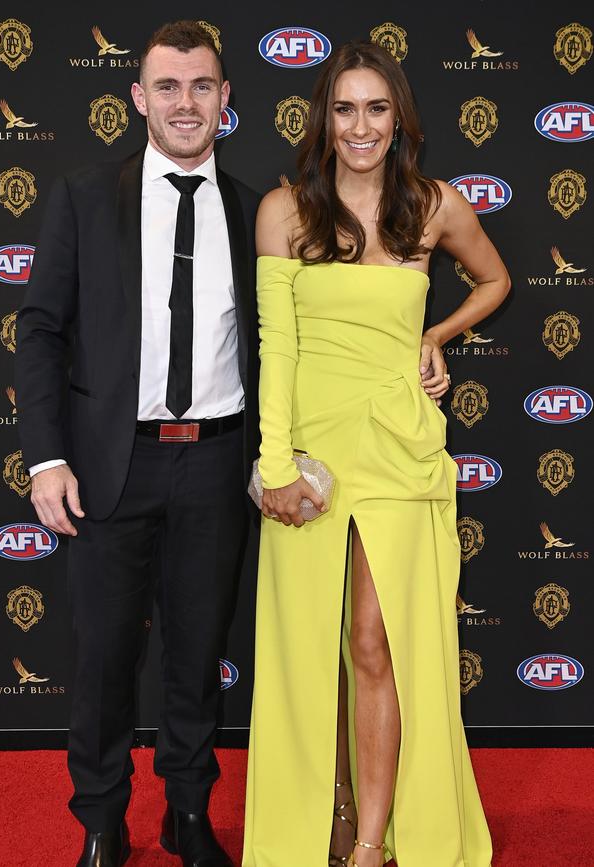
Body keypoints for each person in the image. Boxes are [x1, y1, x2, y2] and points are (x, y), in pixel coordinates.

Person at [242, 41, 509, 867]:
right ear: (325, 117)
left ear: (399, 120)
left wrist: (435, 332)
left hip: (400, 447)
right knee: (308, 644)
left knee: (371, 640)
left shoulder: (434, 207)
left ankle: (369, 843)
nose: (360, 126)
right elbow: (275, 349)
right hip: (313, 453)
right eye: (345, 108)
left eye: (377, 108)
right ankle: (331, 808)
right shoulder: (285, 212)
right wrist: (275, 463)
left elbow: (495, 279)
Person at [16, 20, 260, 867]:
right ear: (138, 99)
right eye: (167, 86)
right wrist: (46, 457)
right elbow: (41, 329)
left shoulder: (255, 209)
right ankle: (102, 820)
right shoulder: (85, 197)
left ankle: (188, 813)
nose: (185, 103)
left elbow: (289, 341)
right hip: (107, 467)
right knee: (103, 660)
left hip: (217, 466)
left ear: (226, 99)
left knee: (198, 657)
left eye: (201, 86)